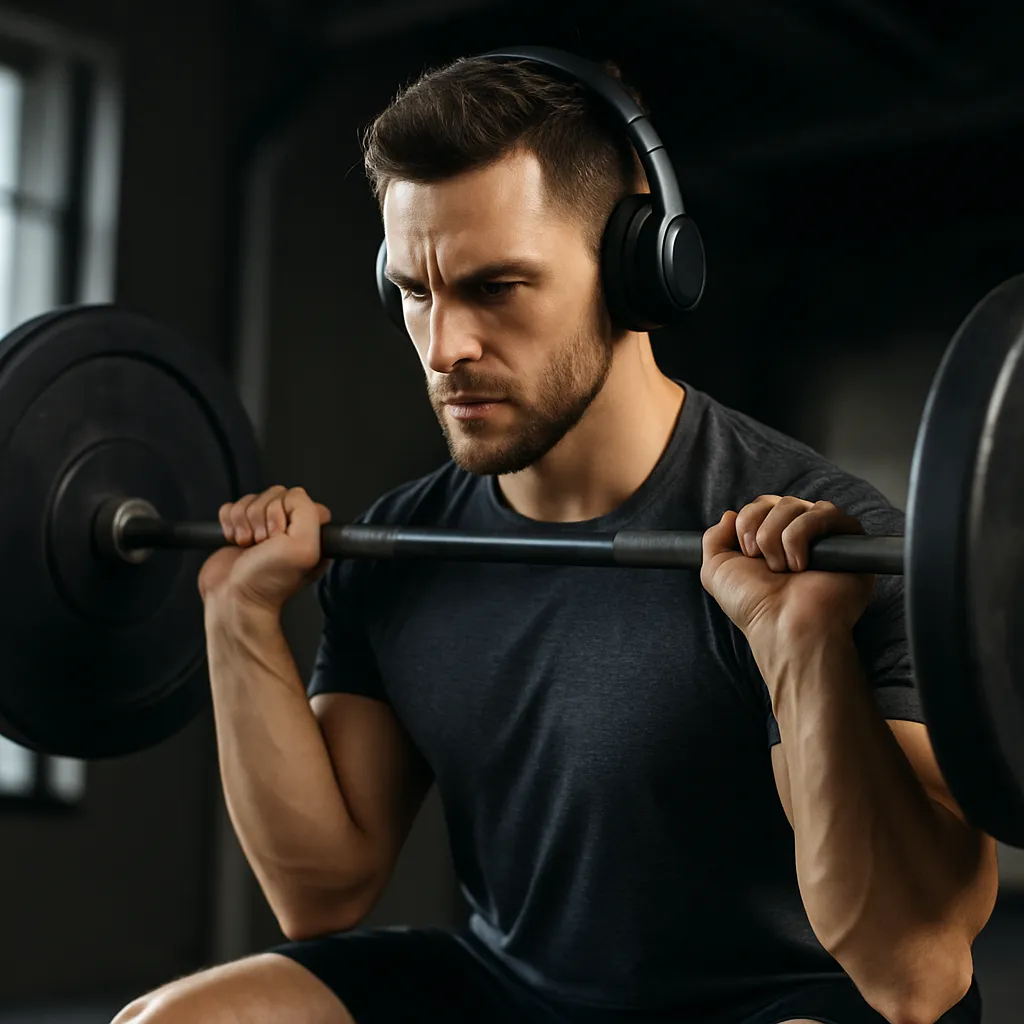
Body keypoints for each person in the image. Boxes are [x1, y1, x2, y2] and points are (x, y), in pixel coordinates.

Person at [113, 52, 998, 1024]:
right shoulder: (405, 547)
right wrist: (238, 619)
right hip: (515, 993)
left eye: (496, 288)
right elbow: (323, 890)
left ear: (635, 271)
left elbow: (916, 976)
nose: (446, 346)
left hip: (785, 1001)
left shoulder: (829, 542)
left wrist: (803, 653)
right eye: (415, 291)